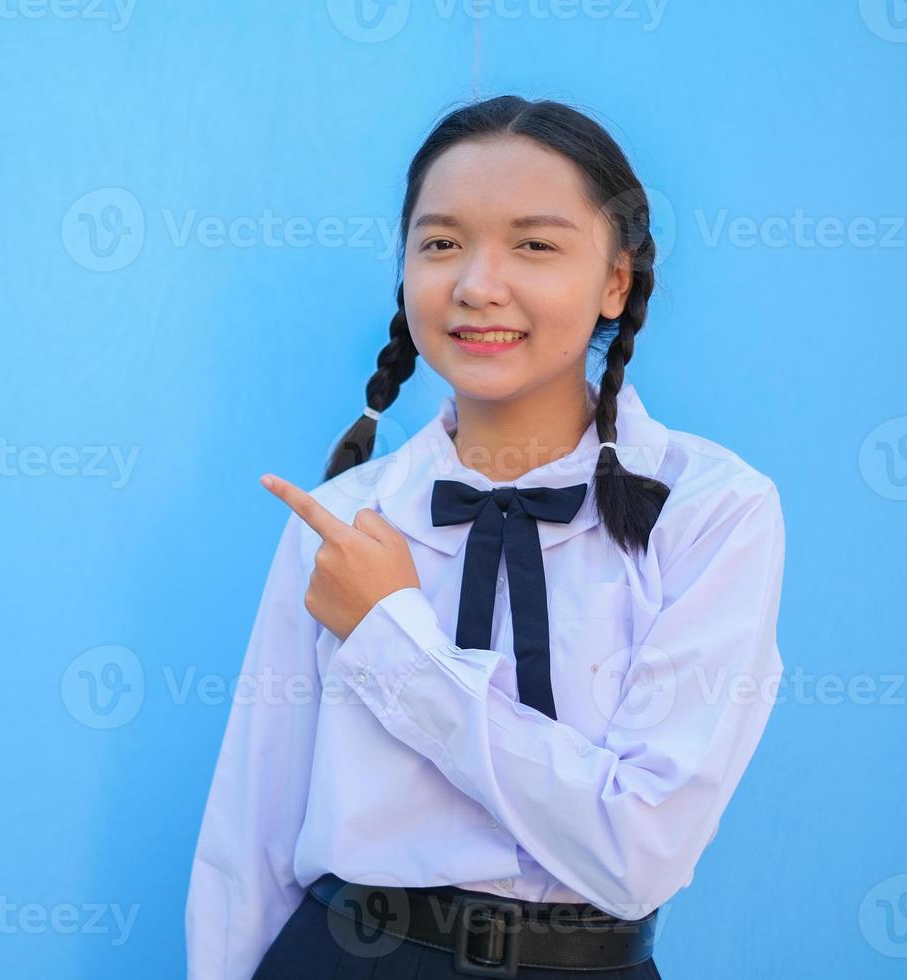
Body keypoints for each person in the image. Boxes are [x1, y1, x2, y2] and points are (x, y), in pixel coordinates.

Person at [184, 95, 786, 980]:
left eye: (535, 244)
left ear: (616, 280)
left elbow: (637, 850)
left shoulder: (711, 512)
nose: (476, 284)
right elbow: (250, 834)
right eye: (440, 243)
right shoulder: (348, 518)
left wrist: (394, 638)